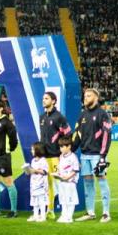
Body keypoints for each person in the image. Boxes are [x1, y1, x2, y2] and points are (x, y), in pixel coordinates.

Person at [74, 88, 113, 222]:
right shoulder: (82, 115)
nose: (85, 98)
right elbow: (77, 136)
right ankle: (90, 212)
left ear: (96, 98)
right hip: (84, 155)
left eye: (89, 96)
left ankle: (106, 213)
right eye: (85, 96)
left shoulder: (103, 114)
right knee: (88, 184)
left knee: (102, 182)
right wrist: (71, 151)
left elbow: (107, 135)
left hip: (98, 155)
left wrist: (103, 156)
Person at [38, 91, 72, 220]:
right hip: (45, 157)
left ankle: (65, 211)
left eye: (46, 98)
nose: (43, 100)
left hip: (56, 156)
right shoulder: (42, 117)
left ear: (53, 101)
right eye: (43, 98)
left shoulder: (59, 117)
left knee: (61, 183)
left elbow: (68, 134)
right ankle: (50, 210)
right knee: (49, 185)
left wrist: (61, 151)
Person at [53, 136, 80, 223]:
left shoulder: (73, 157)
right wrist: (57, 175)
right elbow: (60, 168)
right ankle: (63, 215)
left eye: (63, 146)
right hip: (62, 182)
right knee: (63, 199)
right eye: (60, 147)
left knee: (70, 199)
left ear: (69, 146)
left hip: (70, 182)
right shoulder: (61, 156)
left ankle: (69, 216)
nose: (61, 148)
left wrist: (67, 177)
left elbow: (75, 170)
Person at [25, 142, 50, 223]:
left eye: (33, 149)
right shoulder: (33, 160)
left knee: (41, 201)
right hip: (34, 185)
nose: (31, 151)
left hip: (41, 185)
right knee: (35, 201)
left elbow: (45, 171)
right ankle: (35, 215)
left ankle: (43, 216)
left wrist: (35, 170)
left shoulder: (43, 161)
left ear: (38, 150)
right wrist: (28, 171)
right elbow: (32, 171)